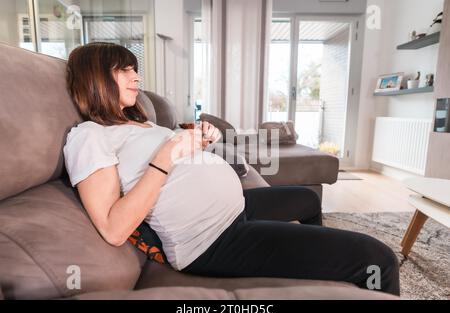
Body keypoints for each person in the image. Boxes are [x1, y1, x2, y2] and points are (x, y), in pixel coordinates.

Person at [63, 42, 400, 296]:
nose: (136, 76)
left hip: (236, 210)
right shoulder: (89, 136)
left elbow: (175, 162)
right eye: (123, 70)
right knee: (378, 259)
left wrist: (199, 142)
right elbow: (114, 228)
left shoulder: (139, 123)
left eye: (134, 69)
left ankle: (318, 270)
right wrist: (166, 154)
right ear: (95, 79)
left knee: (307, 199)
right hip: (213, 240)